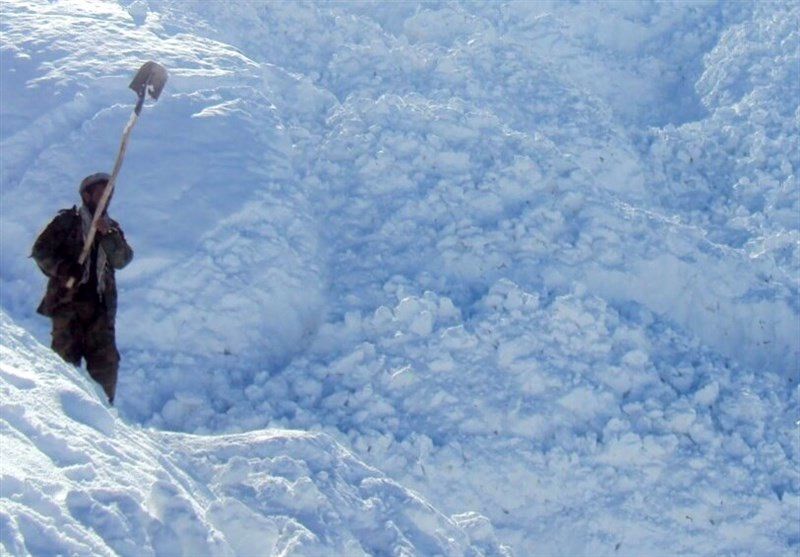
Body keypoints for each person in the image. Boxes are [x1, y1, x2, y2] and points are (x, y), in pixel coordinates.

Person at [31, 172, 134, 404]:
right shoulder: (67, 222)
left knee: (106, 365)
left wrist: (107, 235)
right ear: (87, 195)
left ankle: (103, 416)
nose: (105, 198)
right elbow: (40, 251)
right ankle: (58, 412)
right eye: (100, 193)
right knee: (64, 364)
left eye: (109, 194)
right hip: (68, 304)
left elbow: (123, 260)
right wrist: (64, 268)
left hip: (99, 310)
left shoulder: (112, 229)